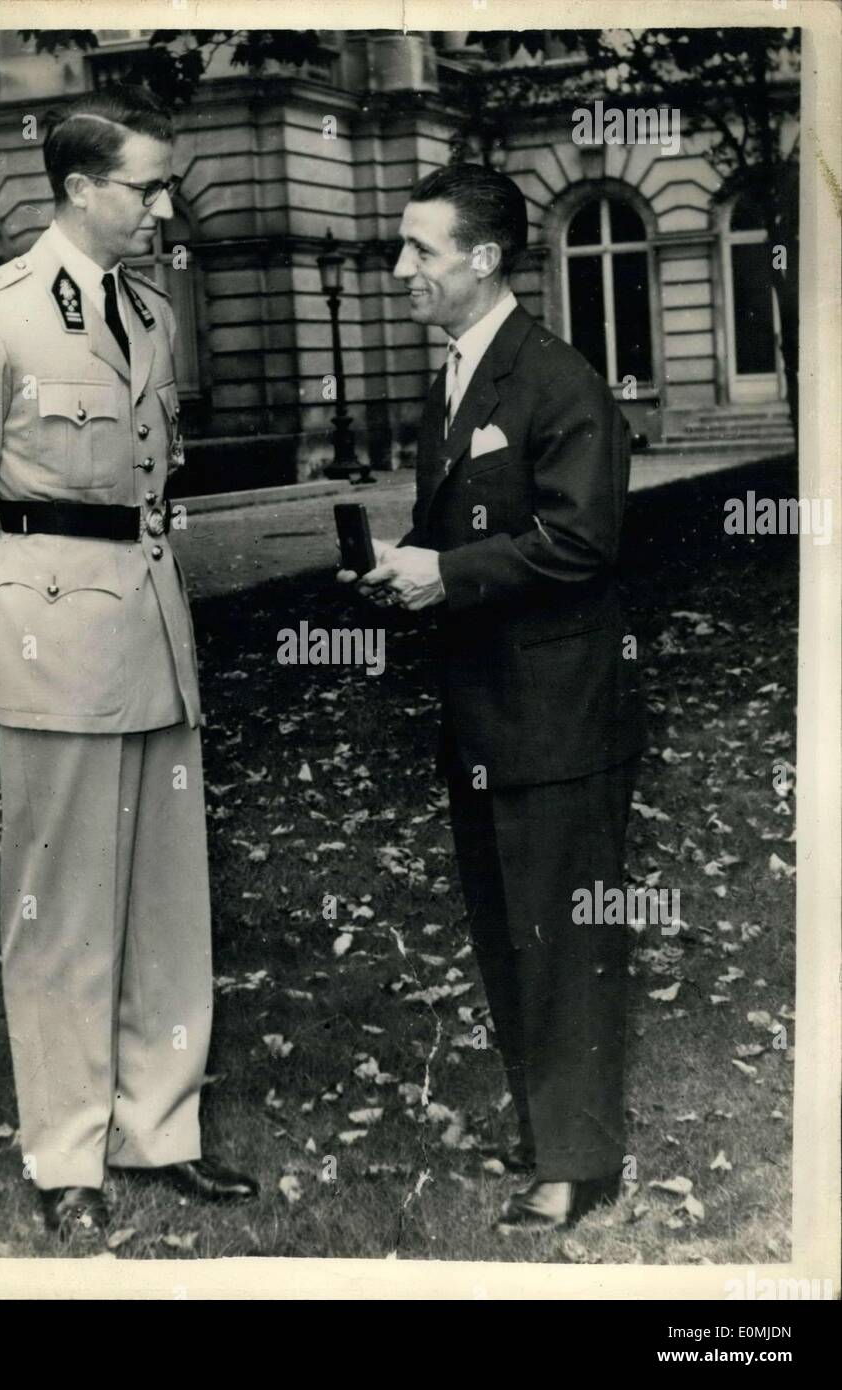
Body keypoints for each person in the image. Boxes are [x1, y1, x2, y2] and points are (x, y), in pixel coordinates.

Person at [0, 85, 257, 1241]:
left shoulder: (147, 311)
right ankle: (67, 1149)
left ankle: (161, 1128)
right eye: (145, 185)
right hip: (47, 637)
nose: (165, 204)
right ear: (76, 187)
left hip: (152, 629)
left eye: (164, 184)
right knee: (58, 908)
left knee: (167, 901)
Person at [340, 164, 646, 1229]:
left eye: (418, 249)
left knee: (560, 935)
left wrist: (447, 574)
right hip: (488, 712)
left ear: (481, 257)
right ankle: (548, 1133)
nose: (397, 271)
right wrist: (407, 561)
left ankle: (576, 1162)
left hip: (555, 713)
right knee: (512, 927)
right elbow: (481, 527)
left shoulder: (557, 381)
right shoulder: (459, 378)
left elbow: (580, 540)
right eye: (400, 248)